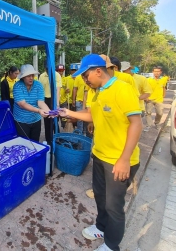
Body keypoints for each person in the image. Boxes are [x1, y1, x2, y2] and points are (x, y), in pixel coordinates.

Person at [59, 54, 142, 251]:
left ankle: (112, 245)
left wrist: (124, 159)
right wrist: (68, 113)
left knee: (114, 206)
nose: (85, 80)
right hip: (100, 154)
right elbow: (91, 115)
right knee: (100, 195)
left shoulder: (123, 89)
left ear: (98, 71)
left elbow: (136, 124)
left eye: (86, 76)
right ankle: (101, 227)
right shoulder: (98, 92)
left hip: (118, 160)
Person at [13, 64, 51, 142]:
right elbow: (22, 104)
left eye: (32, 75)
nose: (31, 78)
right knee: (23, 144)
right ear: (23, 77)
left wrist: (49, 111)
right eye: (28, 76)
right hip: (21, 121)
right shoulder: (17, 86)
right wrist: (38, 110)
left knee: (35, 142)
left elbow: (40, 102)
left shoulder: (38, 85)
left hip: (35, 120)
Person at [39, 63, 62, 144]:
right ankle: (49, 140)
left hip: (54, 100)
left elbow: (57, 90)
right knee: (47, 121)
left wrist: (57, 104)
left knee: (55, 120)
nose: (48, 71)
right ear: (45, 68)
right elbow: (40, 90)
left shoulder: (57, 75)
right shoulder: (41, 76)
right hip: (45, 100)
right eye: (47, 69)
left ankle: (58, 139)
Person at [145, 66, 167, 131]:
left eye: (158, 71)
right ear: (153, 72)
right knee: (148, 113)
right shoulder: (148, 80)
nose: (156, 73)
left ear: (161, 72)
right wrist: (146, 97)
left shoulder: (163, 79)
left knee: (160, 113)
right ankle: (149, 125)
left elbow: (164, 87)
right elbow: (145, 89)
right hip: (150, 99)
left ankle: (157, 123)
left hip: (159, 99)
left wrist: (164, 95)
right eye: (155, 71)